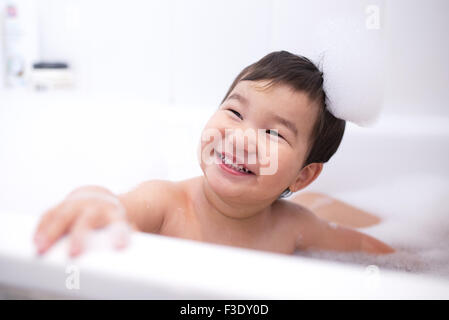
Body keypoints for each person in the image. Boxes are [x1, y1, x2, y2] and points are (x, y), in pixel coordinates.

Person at [33, 51, 394, 257]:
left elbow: (370, 249)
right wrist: (92, 200)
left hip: (309, 206)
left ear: (302, 175)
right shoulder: (165, 205)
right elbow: (114, 205)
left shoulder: (295, 227)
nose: (241, 138)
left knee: (321, 208)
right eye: (235, 113)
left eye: (273, 133)